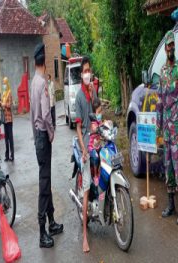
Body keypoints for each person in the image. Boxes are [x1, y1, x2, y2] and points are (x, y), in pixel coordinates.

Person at [30, 43, 63, 248]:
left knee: (47, 179)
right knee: (44, 185)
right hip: (43, 136)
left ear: (35, 61)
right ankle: (43, 232)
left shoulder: (33, 82)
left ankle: (51, 223)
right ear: (45, 62)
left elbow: (33, 116)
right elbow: (44, 115)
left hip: (37, 137)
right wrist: (51, 134)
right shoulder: (42, 83)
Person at [156, 30, 178, 225]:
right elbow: (160, 101)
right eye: (168, 45)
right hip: (167, 129)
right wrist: (159, 129)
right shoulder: (162, 71)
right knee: (167, 167)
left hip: (177, 127)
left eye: (172, 45)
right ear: (165, 48)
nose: (170, 48)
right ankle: (171, 204)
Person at [75, 56, 97, 253]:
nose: (87, 73)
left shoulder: (91, 90)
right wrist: (83, 149)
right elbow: (79, 129)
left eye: (89, 70)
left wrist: (93, 92)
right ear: (81, 74)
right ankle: (84, 235)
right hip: (85, 142)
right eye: (85, 71)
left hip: (97, 138)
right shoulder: (78, 97)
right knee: (87, 188)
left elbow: (98, 110)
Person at [0, 77, 14, 162]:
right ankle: (7, 156)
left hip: (9, 119)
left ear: (7, 83)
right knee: (6, 138)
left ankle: (12, 156)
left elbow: (10, 105)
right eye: (3, 83)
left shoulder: (9, 93)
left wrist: (3, 104)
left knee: (10, 138)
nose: (3, 84)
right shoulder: (4, 93)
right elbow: (2, 107)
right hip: (5, 119)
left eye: (4, 83)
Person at [88, 97, 102, 186]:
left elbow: (103, 125)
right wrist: (98, 129)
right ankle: (96, 176)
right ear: (94, 113)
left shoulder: (99, 121)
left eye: (101, 111)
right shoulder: (93, 123)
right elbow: (96, 129)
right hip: (92, 147)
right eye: (99, 112)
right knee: (96, 157)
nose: (100, 114)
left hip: (98, 146)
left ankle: (100, 172)